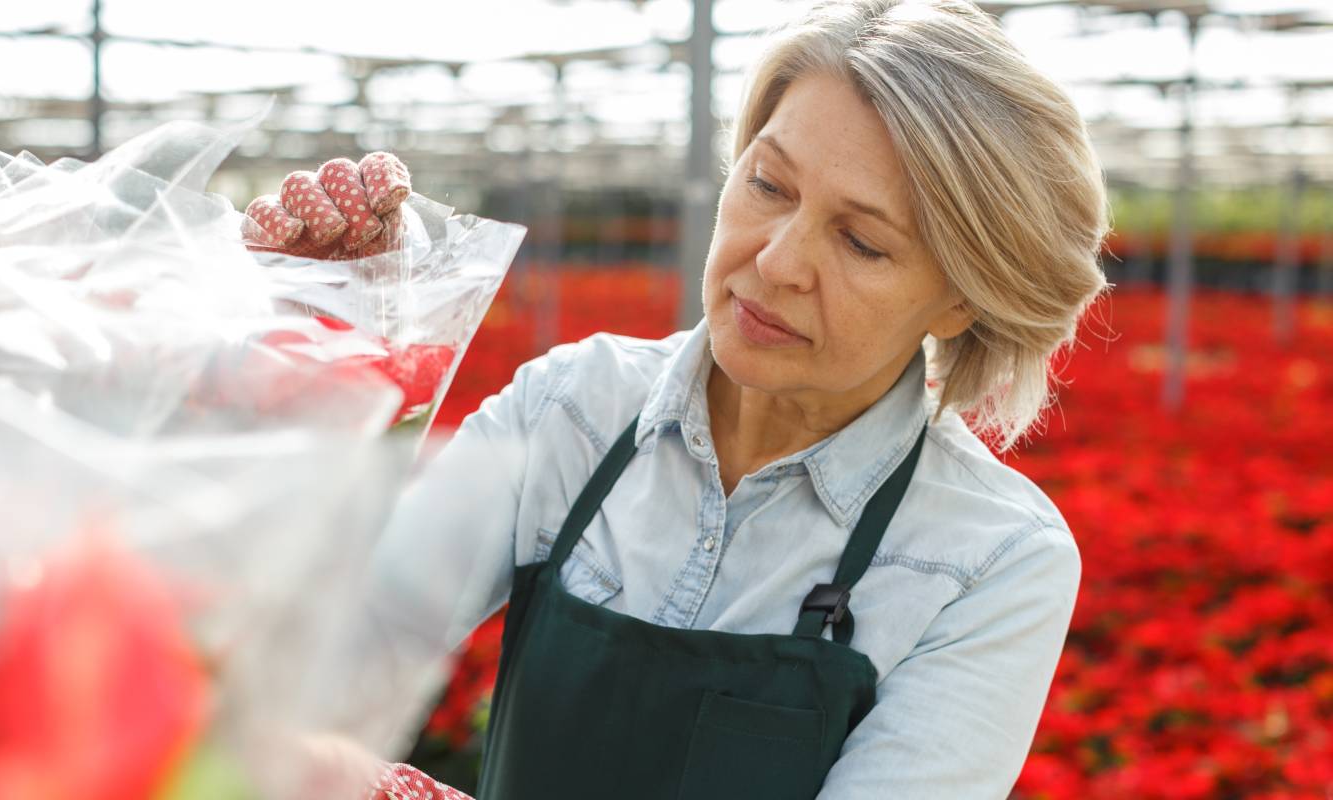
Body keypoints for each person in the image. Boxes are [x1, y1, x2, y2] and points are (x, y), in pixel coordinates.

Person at [245, 0, 1109, 796]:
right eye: (768, 186)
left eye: (861, 241)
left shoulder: (990, 559)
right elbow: (323, 663)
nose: (776, 261)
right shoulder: (573, 410)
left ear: (963, 298)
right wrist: (334, 387)